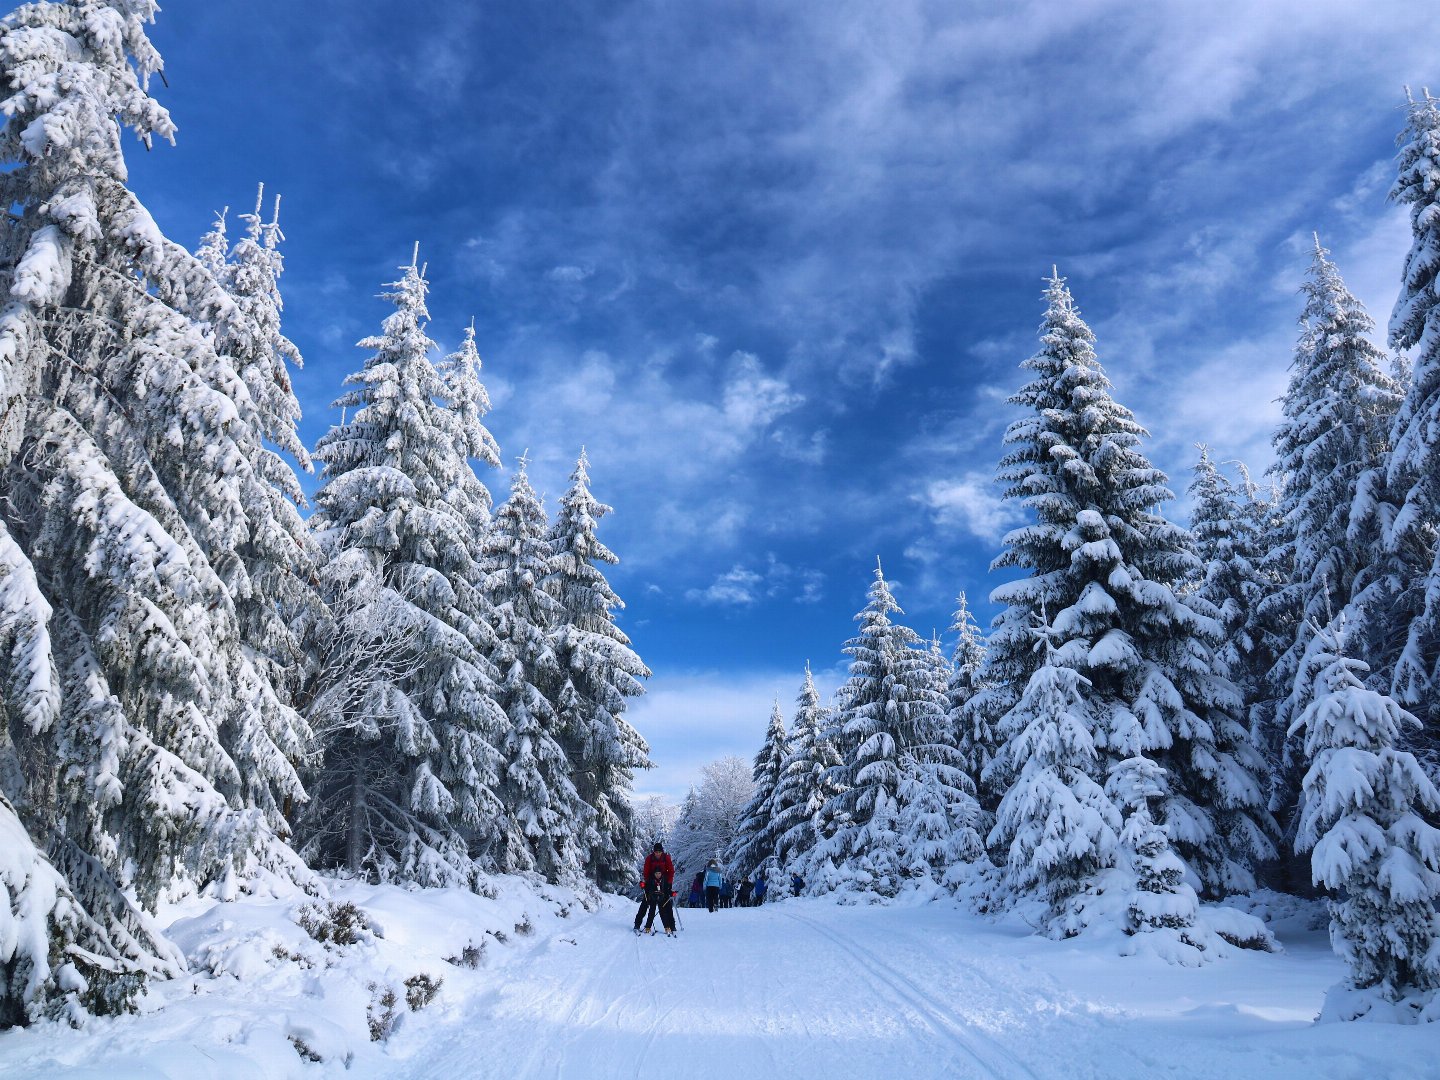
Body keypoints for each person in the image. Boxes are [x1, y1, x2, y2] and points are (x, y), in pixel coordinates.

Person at [634, 841, 674, 932]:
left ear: (662, 852)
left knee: (666, 905)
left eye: (659, 852)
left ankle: (671, 926)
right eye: (656, 852)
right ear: (654, 852)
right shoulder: (649, 858)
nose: (658, 854)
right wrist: (647, 884)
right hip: (651, 882)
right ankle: (637, 924)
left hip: (664, 883)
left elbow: (671, 871)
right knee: (645, 904)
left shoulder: (666, 858)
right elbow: (646, 872)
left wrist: (669, 883)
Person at [636, 867, 677, 935]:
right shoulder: (651, 880)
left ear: (661, 874)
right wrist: (642, 885)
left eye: (659, 873)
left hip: (661, 898)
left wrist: (672, 893)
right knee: (651, 913)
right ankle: (648, 927)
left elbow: (667, 890)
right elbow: (646, 887)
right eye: (656, 873)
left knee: (663, 913)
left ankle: (667, 927)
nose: (658, 875)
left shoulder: (664, 880)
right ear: (654, 874)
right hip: (652, 898)